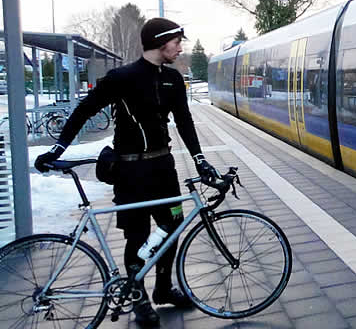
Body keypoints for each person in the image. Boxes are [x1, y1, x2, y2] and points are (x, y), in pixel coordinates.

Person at [35, 17, 219, 327]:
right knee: (138, 237)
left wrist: (200, 158)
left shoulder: (173, 79)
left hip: (164, 169)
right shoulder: (122, 78)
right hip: (131, 172)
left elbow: (185, 122)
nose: (180, 46)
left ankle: (162, 288)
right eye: (176, 41)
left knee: (172, 226)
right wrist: (57, 150)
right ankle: (138, 296)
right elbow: (84, 110)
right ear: (160, 42)